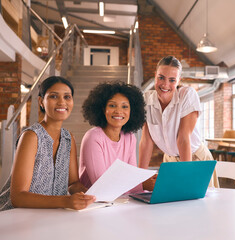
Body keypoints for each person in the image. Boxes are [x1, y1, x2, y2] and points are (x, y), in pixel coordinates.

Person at [0, 76, 96, 211]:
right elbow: (18, 197)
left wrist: (91, 194)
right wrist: (66, 201)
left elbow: (73, 183)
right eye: (54, 96)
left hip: (49, 216)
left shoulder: (69, 139)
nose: (62, 102)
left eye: (67, 97)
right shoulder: (31, 136)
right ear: (41, 101)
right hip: (15, 216)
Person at [139, 56, 219, 188]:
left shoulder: (187, 95)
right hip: (169, 161)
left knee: (199, 205)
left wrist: (185, 176)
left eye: (172, 80)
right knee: (172, 206)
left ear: (178, 81)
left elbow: (183, 139)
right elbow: (146, 141)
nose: (165, 85)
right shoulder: (146, 100)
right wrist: (140, 178)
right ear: (155, 76)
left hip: (193, 159)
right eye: (161, 77)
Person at [79, 82, 146, 192]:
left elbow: (133, 181)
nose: (118, 111)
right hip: (94, 203)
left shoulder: (130, 138)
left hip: (120, 200)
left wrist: (140, 198)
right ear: (103, 109)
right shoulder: (93, 137)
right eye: (112, 105)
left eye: (124, 106)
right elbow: (101, 185)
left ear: (132, 111)